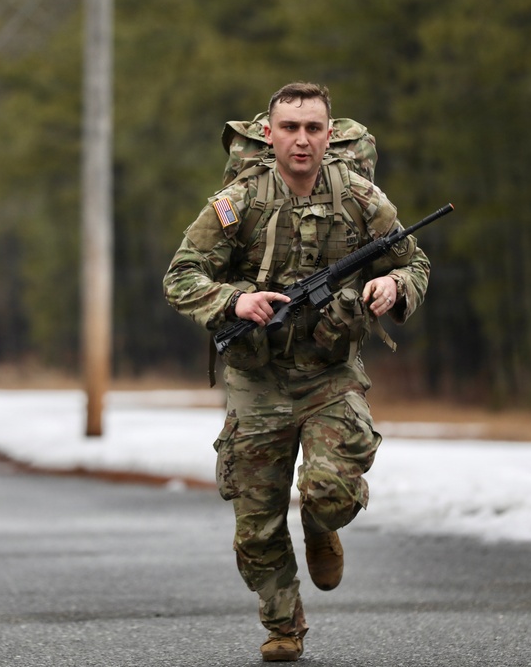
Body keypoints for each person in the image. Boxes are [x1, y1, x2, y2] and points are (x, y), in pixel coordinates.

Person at [163, 82, 431, 662]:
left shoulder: (361, 198)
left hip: (329, 372)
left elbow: (413, 260)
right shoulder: (236, 204)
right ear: (270, 133)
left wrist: (394, 284)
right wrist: (235, 302)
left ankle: (321, 523)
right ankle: (284, 628)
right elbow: (181, 276)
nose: (302, 140)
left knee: (329, 491)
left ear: (329, 135)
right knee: (256, 525)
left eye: (313, 128)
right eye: (290, 128)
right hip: (257, 379)